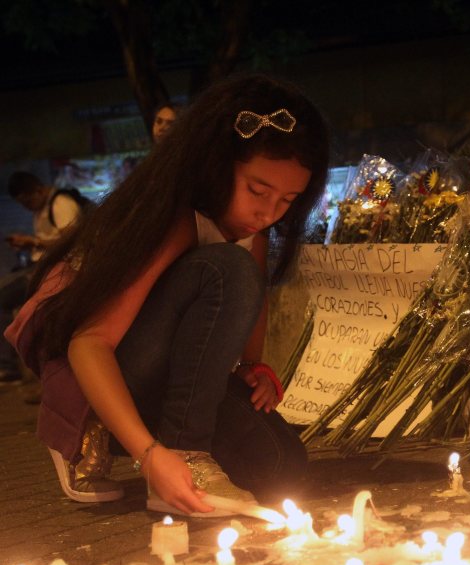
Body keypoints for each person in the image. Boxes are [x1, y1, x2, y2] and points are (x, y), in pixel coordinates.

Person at [5, 73, 329, 515]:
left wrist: (256, 368)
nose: (268, 212)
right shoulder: (173, 218)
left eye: (288, 199)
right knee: (225, 270)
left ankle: (184, 449)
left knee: (281, 466)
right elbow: (90, 343)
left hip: (177, 386)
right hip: (108, 372)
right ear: (217, 165)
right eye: (257, 189)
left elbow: (254, 305)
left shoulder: (253, 230)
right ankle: (174, 451)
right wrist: (151, 456)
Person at [0, 173, 84, 383]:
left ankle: (9, 367)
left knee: (3, 297)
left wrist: (32, 242)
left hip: (62, 272)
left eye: (28, 200)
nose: (27, 206)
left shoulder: (61, 204)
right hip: (44, 269)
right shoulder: (41, 209)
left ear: (38, 189)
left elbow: (71, 240)